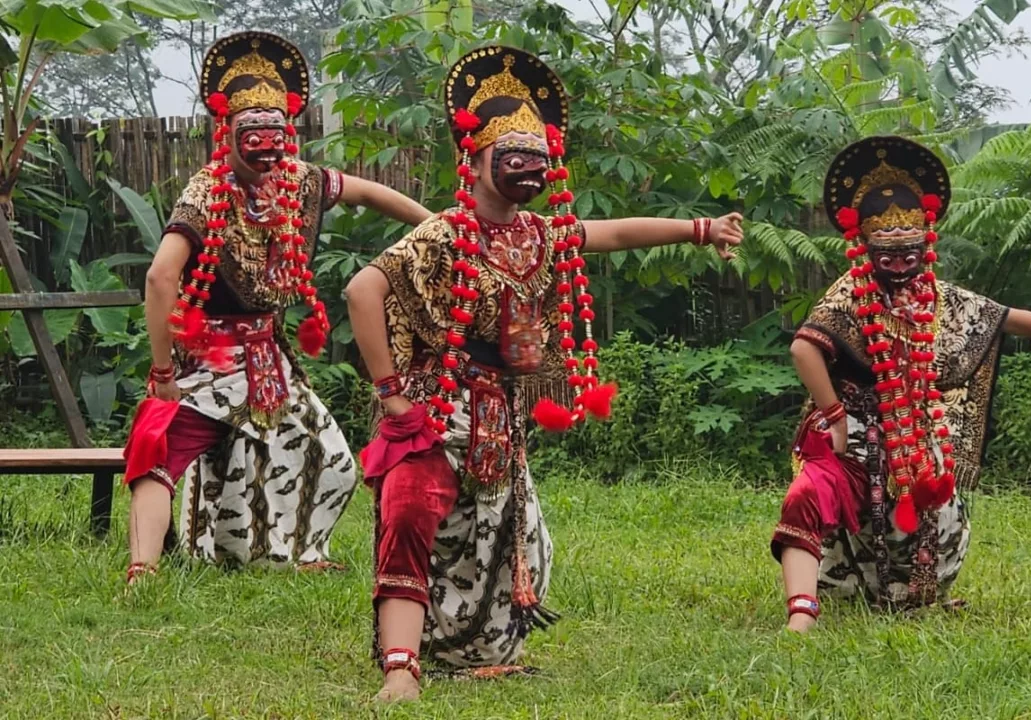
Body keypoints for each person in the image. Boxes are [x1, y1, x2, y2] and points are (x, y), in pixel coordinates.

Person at [345, 45, 743, 702]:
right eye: (513, 157)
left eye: (538, 158)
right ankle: (399, 669)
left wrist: (698, 229)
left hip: (501, 416)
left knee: (491, 535)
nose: (528, 168)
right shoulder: (444, 233)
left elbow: (611, 234)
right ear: (474, 162)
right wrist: (391, 396)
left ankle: (465, 650)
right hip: (438, 407)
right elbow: (364, 292)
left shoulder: (540, 233)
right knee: (412, 513)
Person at [121, 31, 430, 583]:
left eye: (274, 133)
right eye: (253, 134)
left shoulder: (301, 181)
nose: (265, 145)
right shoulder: (205, 192)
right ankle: (141, 570)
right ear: (229, 134)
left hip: (268, 364)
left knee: (328, 459)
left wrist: (435, 228)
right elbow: (160, 276)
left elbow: (367, 192)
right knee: (160, 452)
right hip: (207, 362)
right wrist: (164, 371)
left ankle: (288, 551)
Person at [773, 136, 1031, 631]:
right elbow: (803, 348)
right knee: (814, 499)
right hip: (848, 427)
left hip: (914, 431)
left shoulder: (936, 296)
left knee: (925, 514)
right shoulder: (851, 290)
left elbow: (1001, 318)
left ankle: (910, 597)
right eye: (887, 254)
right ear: (866, 246)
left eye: (910, 252)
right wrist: (833, 416)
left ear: (926, 244)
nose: (899, 263)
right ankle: (805, 613)